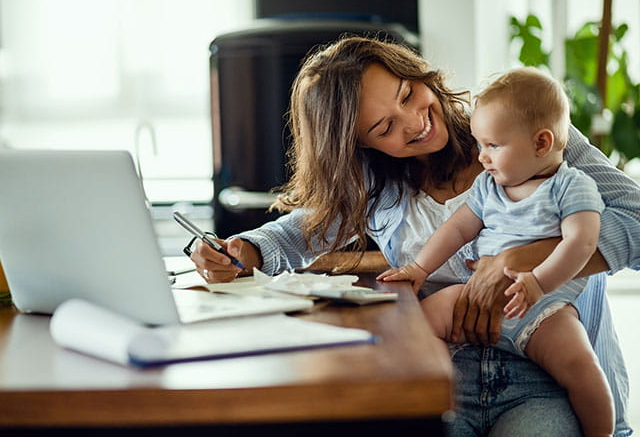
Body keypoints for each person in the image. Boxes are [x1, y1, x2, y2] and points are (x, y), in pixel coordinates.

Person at [189, 36, 639, 436]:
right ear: (360, 145)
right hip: (443, 370)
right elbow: (302, 229)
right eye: (384, 128)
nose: (414, 122)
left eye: (408, 94)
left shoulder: (523, 131)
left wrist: (522, 258)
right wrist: (243, 249)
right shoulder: (376, 181)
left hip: (546, 369)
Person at [377, 67, 613, 436]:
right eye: (480, 144)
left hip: (544, 308)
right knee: (419, 321)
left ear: (540, 143)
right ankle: (440, 396)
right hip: (476, 296)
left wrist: (537, 281)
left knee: (582, 367)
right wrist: (420, 268)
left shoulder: (571, 186)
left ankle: (603, 431)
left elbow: (581, 243)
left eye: (494, 146)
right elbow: (457, 228)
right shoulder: (489, 187)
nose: (482, 157)